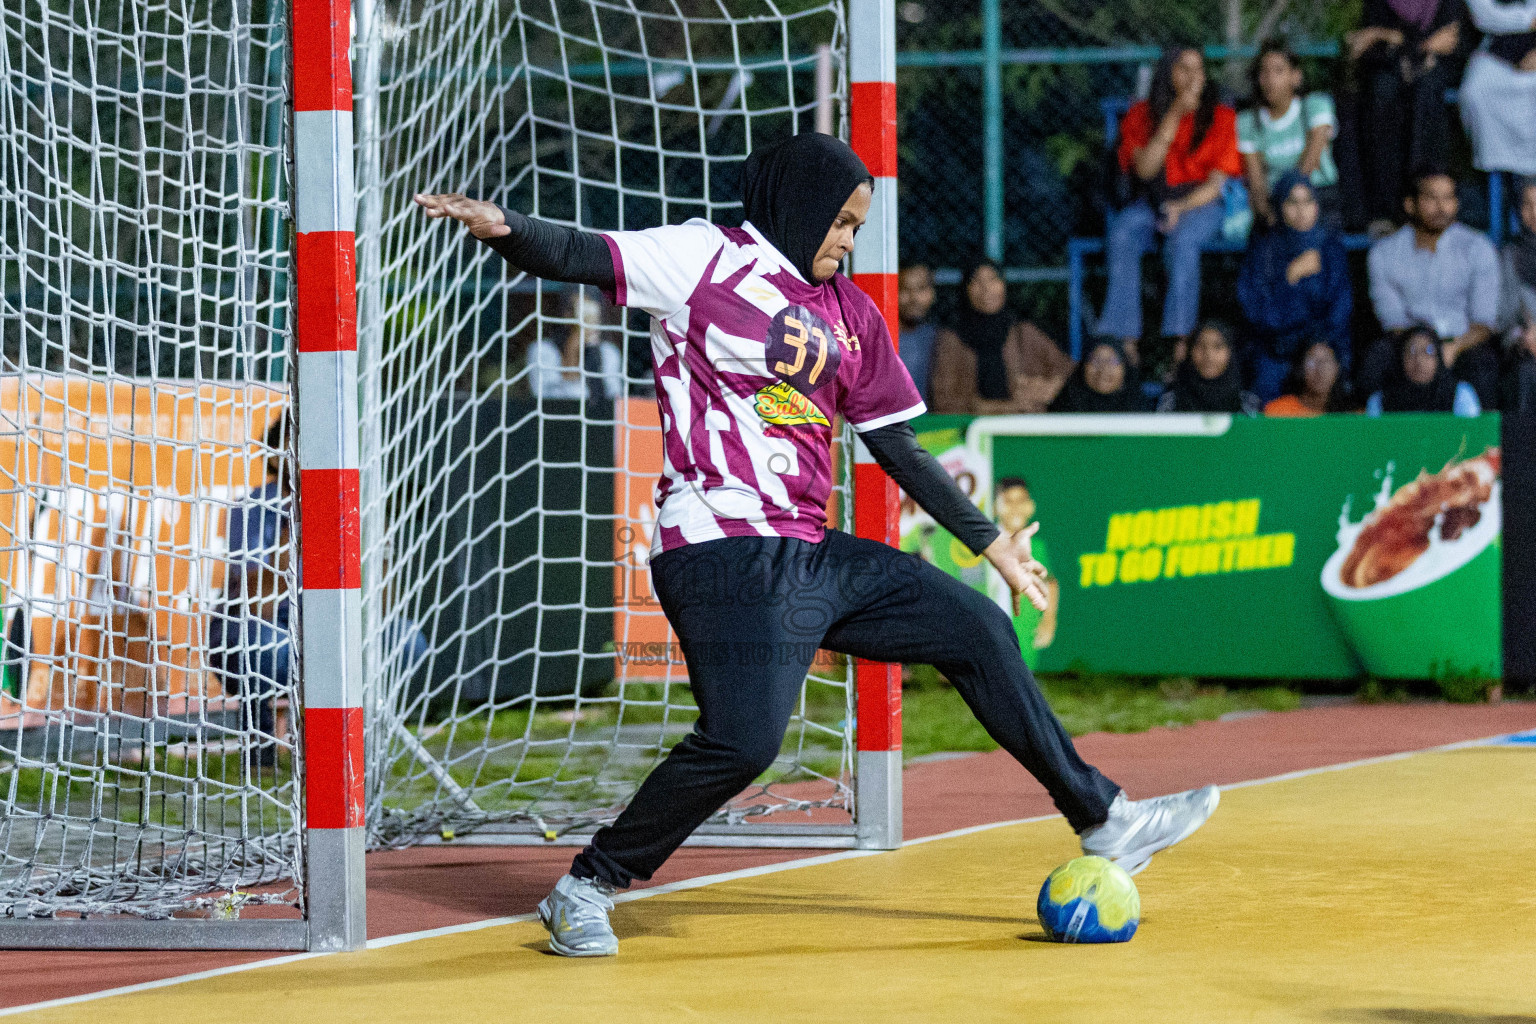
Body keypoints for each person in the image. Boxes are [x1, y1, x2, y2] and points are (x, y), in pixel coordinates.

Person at [415, 133, 1219, 957]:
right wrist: (506, 225)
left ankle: (1104, 818)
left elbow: (898, 445)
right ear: (797, 206)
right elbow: (581, 253)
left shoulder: (852, 314)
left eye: (855, 226)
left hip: (810, 551)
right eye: (838, 221)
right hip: (720, 547)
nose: (845, 239)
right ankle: (587, 886)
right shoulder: (703, 258)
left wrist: (990, 546)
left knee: (978, 628)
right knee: (745, 742)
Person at [1098, 47, 1243, 358]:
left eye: (1199, 70)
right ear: (1167, 74)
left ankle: (1181, 345)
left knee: (1183, 240)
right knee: (1123, 232)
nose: (1193, 78)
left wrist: (1180, 208)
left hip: (1201, 203)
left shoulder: (1221, 116)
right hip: (1153, 201)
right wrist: (1175, 113)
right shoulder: (1140, 115)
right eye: (1184, 69)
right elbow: (1146, 169)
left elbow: (1217, 185)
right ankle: (1123, 345)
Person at [1362, 167, 1501, 408]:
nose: (1441, 207)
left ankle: (1484, 444)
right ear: (1410, 204)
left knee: (1484, 366)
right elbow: (1392, 320)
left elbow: (1484, 322)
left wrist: (1452, 348)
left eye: (1448, 198)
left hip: (1461, 343)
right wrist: (1423, 350)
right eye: (1431, 198)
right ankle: (1375, 441)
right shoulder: (1384, 254)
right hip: (1407, 343)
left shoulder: (1477, 248)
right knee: (1376, 361)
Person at [208, 418, 293, 769]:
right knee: (259, 646)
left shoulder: (348, 502)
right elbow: (258, 597)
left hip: (309, 627)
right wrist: (294, 541)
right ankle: (260, 749)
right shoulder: (255, 507)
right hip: (256, 624)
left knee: (405, 640)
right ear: (275, 452)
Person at [1236, 171, 1354, 401]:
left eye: (1308, 201)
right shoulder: (1264, 249)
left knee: (1327, 367)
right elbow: (1258, 313)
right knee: (1267, 373)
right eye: (1292, 202)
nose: (1301, 211)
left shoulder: (1330, 248)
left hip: (1322, 347)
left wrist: (1315, 347)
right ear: (1279, 206)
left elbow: (1340, 310)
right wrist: (1289, 278)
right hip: (1277, 349)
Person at [1346, 0, 1463, 230]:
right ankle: (1387, 210)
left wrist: (1389, 36)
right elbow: (1367, 51)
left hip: (1432, 83)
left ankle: (1425, 203)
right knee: (1382, 93)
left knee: (1426, 94)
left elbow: (1452, 43)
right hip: (1390, 81)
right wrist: (1423, 46)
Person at [930, 257, 1073, 414]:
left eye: (993, 279)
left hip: (1024, 429)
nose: (986, 288)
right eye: (976, 281)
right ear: (966, 288)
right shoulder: (952, 339)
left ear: (1003, 285)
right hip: (970, 430)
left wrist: (1047, 388)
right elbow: (944, 401)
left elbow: (1069, 371)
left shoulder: (1022, 333)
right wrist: (1008, 407)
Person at [1238, 38, 1342, 228]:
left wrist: (1291, 209)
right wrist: (1267, 214)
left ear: (1296, 77)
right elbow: (1257, 183)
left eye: (1278, 71)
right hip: (1276, 202)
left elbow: (1310, 163)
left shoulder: (1315, 106)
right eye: (1264, 72)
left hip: (1318, 196)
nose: (1270, 80)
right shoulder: (1247, 122)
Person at [1458, 0, 1536, 177]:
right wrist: (1528, 20)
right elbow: (1482, 15)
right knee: (1476, 90)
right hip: (1496, 49)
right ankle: (1496, 180)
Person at [990, 477, 1057, 666]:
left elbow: (1050, 581)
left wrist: (1048, 619)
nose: (1015, 508)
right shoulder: (987, 543)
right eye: (1008, 501)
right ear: (995, 506)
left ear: (1031, 506)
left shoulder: (1036, 547)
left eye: (1021, 501)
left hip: (1024, 631)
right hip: (991, 633)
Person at [527, 290, 624, 400]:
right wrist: (572, 350)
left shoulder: (608, 352)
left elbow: (615, 398)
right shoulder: (543, 350)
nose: (587, 320)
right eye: (581, 312)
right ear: (566, 315)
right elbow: (549, 399)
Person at [1366, 325, 1483, 414]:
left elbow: (1472, 437)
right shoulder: (1379, 401)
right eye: (1411, 351)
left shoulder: (1461, 394)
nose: (1419, 360)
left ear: (1439, 357)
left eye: (1428, 351)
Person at [1156, 321, 1262, 415]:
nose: (1208, 356)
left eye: (1218, 346)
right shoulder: (1171, 403)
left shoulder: (1248, 405)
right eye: (1201, 346)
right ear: (1190, 352)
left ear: (1230, 353)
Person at [1499, 178, 1536, 409]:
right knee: (1525, 373)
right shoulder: (1510, 256)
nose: (1534, 213)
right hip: (1528, 351)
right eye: (1527, 204)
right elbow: (1503, 317)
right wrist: (1524, 338)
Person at [1048, 338, 1145, 413]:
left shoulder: (1140, 412)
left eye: (1112, 361)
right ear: (1083, 366)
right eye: (1095, 361)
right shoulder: (1064, 406)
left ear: (1125, 369)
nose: (1103, 369)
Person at [1263, 339, 1351, 416]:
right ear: (1300, 367)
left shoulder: (1351, 415)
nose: (1320, 370)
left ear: (1337, 368)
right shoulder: (1278, 412)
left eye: (1326, 362)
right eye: (1312, 362)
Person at [897, 263, 939, 403]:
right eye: (904, 289)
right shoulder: (881, 340)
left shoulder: (939, 338)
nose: (913, 298)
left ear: (932, 294)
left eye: (921, 289)